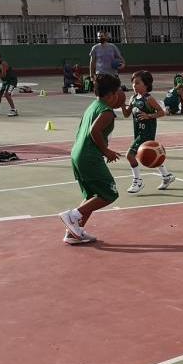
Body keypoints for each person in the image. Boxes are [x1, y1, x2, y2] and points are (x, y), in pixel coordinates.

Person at [59, 74, 127, 245]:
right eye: (119, 91)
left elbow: (84, 130)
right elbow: (93, 131)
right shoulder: (106, 112)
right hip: (89, 156)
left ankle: (73, 233)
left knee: (91, 195)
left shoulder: (93, 106)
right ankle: (72, 216)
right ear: (111, 94)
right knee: (109, 193)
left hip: (78, 154)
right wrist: (106, 151)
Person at [123, 70, 176, 194]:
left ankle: (138, 181)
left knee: (129, 155)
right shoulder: (133, 98)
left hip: (146, 133)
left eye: (137, 83)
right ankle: (167, 176)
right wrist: (121, 104)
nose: (134, 85)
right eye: (133, 83)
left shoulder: (149, 99)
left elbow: (162, 112)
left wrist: (148, 116)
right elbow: (126, 114)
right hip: (138, 132)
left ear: (146, 84)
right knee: (150, 156)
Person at [0, 50, 19, 117]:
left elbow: (3, 75)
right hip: (5, 82)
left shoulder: (3, 64)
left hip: (12, 81)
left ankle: (14, 110)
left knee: (6, 94)